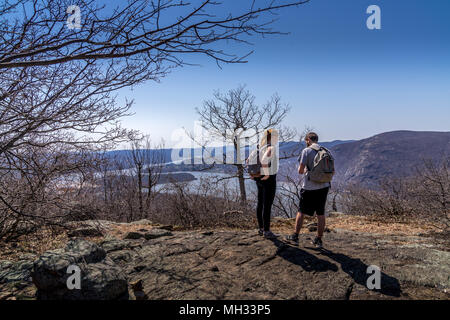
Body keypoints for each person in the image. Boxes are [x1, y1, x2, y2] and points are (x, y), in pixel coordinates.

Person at [286, 132, 331, 248]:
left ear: (308, 140)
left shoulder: (306, 151)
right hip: (324, 186)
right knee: (321, 213)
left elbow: (300, 171)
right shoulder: (326, 150)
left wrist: (305, 169)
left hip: (309, 187)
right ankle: (319, 240)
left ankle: (295, 237)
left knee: (301, 211)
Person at [248, 129, 279, 239]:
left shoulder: (259, 147)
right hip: (268, 180)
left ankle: (261, 228)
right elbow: (265, 160)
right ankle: (267, 230)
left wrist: (254, 175)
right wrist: (266, 174)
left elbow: (248, 162)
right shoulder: (271, 147)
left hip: (259, 180)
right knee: (267, 205)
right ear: (272, 137)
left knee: (260, 203)